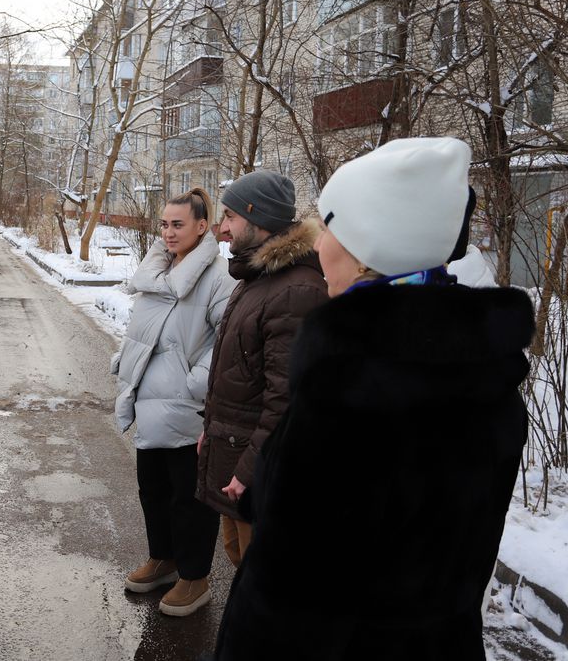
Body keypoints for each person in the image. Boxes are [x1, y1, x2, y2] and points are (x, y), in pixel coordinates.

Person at [213, 137, 533, 660]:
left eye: (330, 228)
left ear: (368, 252)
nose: (318, 245)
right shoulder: (487, 380)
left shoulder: (349, 397)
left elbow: (287, 606)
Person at [196, 170, 328, 568]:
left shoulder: (295, 290)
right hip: (234, 454)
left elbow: (287, 399)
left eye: (230, 216)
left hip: (255, 472)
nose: (221, 228)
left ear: (260, 219)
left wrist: (251, 468)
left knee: (263, 574)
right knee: (240, 560)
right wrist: (211, 429)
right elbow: (243, 371)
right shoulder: (258, 278)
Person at [114, 188, 235, 617]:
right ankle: (163, 558)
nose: (168, 232)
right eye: (164, 224)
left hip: (186, 407)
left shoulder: (219, 277)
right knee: (153, 491)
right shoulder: (158, 270)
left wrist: (193, 382)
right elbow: (142, 329)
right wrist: (127, 361)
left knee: (190, 498)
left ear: (202, 227)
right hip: (149, 399)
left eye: (178, 224)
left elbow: (225, 341)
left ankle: (195, 577)